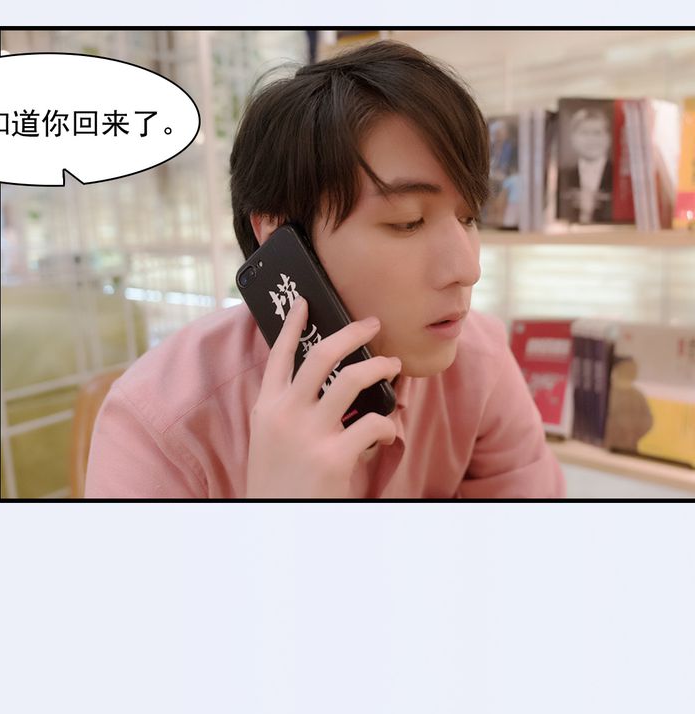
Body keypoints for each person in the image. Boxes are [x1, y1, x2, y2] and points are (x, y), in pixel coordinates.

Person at [86, 41, 564, 499]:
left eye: (469, 217)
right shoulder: (161, 423)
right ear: (280, 240)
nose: (468, 268)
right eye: (407, 222)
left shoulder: (479, 362)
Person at [558, 107, 613, 224]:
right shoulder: (561, 176)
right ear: (573, 138)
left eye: (597, 133)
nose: (591, 139)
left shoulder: (619, 176)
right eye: (584, 133)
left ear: (609, 138)